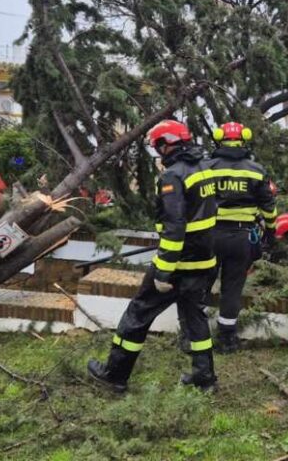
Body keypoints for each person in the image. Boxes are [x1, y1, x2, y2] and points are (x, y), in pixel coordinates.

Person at [87, 119, 219, 393]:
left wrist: (163, 273)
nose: (158, 154)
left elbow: (174, 227)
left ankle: (114, 375)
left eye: (158, 147)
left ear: (166, 145)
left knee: (137, 315)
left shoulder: (173, 176)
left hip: (178, 265)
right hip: (204, 262)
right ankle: (205, 380)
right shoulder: (205, 168)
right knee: (196, 320)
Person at [206, 121, 278, 352]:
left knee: (201, 284)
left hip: (209, 236)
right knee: (232, 288)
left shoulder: (206, 167)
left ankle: (193, 334)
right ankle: (226, 340)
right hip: (241, 237)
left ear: (219, 139)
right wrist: (270, 233)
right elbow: (268, 207)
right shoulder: (256, 170)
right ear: (244, 139)